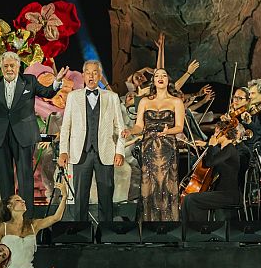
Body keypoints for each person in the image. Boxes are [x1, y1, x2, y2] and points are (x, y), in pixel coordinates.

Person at [0, 52, 67, 216]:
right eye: (6, 66)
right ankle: (7, 216)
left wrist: (57, 82)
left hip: (24, 134)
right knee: (4, 178)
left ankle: (26, 216)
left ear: (18, 66)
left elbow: (47, 93)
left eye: (12, 66)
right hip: (1, 135)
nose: (9, 69)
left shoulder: (29, 81)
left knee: (25, 177)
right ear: (1, 68)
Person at [58, 60, 126, 222]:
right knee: (80, 197)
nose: (91, 76)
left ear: (100, 76)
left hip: (105, 152)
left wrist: (120, 151)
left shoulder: (112, 97)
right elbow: (66, 126)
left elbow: (120, 127)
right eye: (88, 72)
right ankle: (81, 230)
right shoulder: (73, 97)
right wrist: (63, 151)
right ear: (83, 75)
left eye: (95, 73)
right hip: (80, 153)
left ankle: (106, 230)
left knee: (106, 196)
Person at [121, 68, 185, 222]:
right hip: (148, 146)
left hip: (167, 146)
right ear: (153, 80)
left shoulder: (176, 101)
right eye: (157, 76)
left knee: (166, 184)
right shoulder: (144, 101)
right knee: (148, 184)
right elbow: (139, 126)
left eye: (164, 75)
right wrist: (130, 131)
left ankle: (168, 225)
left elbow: (179, 127)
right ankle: (148, 224)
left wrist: (168, 131)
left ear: (168, 80)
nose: (160, 78)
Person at [182, 124, 242, 222]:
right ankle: (195, 227)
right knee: (190, 199)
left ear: (225, 134)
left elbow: (209, 163)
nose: (214, 135)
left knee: (190, 199)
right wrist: (207, 145)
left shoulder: (230, 149)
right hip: (220, 193)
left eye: (217, 132)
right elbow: (213, 158)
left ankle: (195, 228)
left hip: (228, 195)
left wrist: (210, 146)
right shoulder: (224, 150)